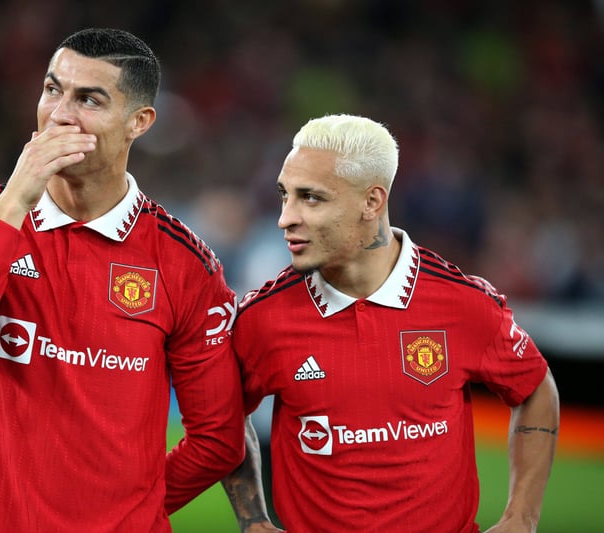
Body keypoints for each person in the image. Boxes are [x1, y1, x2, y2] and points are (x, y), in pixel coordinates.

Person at [0, 28, 244, 532]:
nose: (60, 114)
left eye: (89, 99)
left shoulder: (185, 265)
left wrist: (128, 512)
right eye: (52, 90)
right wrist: (16, 201)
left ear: (139, 122)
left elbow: (218, 438)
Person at [221, 114, 560, 533]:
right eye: (284, 195)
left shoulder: (463, 304)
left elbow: (535, 388)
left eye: (311, 198)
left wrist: (522, 516)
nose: (285, 217)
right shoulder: (262, 318)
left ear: (372, 202)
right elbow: (221, 414)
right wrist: (252, 519)